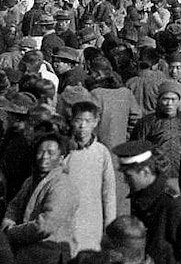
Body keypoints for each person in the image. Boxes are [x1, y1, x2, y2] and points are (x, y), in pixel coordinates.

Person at [2, 132, 80, 264]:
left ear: (61, 158)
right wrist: (8, 222)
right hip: (27, 254)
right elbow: (14, 206)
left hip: (51, 255)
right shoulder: (30, 181)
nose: (44, 157)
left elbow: (45, 226)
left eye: (50, 153)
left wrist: (11, 233)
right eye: (40, 152)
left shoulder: (62, 185)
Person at [113, 141, 181, 264]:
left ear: (146, 172)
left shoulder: (172, 204)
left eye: (129, 176)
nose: (126, 181)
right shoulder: (140, 198)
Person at [66, 100, 117, 253]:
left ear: (95, 122)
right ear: (72, 121)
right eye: (78, 121)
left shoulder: (102, 153)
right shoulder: (64, 151)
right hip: (66, 219)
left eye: (88, 121)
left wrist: (109, 227)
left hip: (92, 221)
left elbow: (109, 193)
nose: (82, 126)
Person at [130, 79, 181, 180]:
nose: (169, 103)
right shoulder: (146, 123)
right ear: (159, 100)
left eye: (173, 99)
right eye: (165, 99)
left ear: (180, 100)